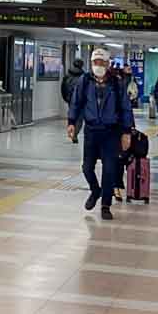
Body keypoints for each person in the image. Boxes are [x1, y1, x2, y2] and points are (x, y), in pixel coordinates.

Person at [67, 48, 134, 221]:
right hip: (91, 131)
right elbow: (76, 102)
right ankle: (95, 190)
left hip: (111, 132)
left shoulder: (117, 83)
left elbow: (126, 108)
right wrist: (71, 122)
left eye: (101, 62)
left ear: (108, 63)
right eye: (95, 62)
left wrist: (126, 132)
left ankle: (105, 205)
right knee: (87, 168)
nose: (98, 65)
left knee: (109, 170)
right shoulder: (85, 81)